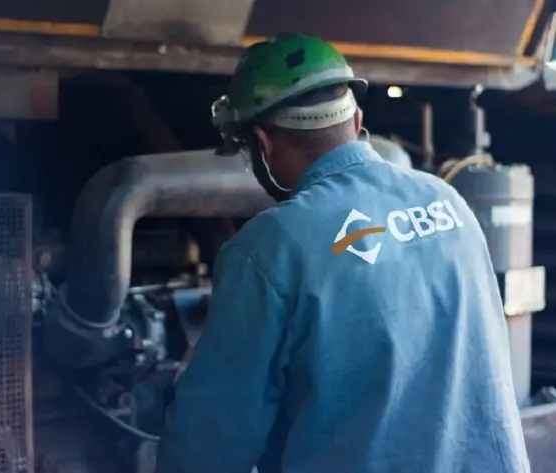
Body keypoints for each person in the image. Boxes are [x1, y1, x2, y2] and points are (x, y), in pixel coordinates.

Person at [154, 34, 530, 473]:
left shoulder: (270, 246)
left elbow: (210, 442)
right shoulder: (446, 200)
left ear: (263, 142)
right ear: (357, 119)